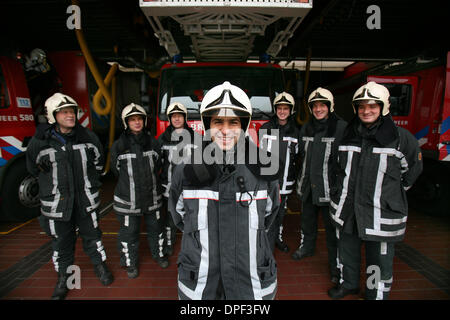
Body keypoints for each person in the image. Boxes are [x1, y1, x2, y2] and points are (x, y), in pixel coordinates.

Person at [168, 81, 280, 300]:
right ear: (207, 124)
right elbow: (179, 216)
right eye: (218, 121)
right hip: (201, 281)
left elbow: (269, 215)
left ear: (244, 125)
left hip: (251, 281)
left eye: (233, 122)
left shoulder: (264, 169)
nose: (226, 130)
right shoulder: (186, 169)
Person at [327, 81, 423, 300]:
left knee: (378, 258)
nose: (366, 111)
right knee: (347, 250)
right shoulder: (346, 134)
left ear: (383, 107)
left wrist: (391, 195)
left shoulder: (400, 138)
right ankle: (349, 283)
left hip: (380, 211)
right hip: (348, 208)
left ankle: (374, 292)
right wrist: (336, 193)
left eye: (372, 106)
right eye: (361, 106)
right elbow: (335, 167)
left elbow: (412, 171)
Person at [26, 93, 113, 300]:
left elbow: (99, 165)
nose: (70, 115)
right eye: (64, 112)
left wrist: (91, 185)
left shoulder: (88, 137)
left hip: (85, 201)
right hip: (58, 205)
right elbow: (32, 169)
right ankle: (64, 279)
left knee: (93, 237)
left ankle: (100, 267)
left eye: (72, 111)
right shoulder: (39, 143)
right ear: (52, 116)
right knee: (62, 243)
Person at [291, 87, 347, 284]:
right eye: (315, 106)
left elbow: (345, 162)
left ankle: (335, 266)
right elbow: (300, 156)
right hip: (307, 187)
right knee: (307, 223)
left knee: (333, 232)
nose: (318, 109)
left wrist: (339, 188)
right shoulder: (306, 127)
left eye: (322, 105)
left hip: (329, 190)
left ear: (330, 107)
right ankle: (307, 247)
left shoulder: (341, 128)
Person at [110, 103, 168, 279]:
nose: (137, 122)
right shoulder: (119, 145)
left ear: (144, 121)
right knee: (129, 234)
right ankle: (130, 263)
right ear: (126, 122)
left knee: (157, 229)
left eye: (139, 119)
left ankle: (159, 255)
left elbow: (159, 165)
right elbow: (116, 170)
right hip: (128, 201)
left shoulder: (153, 143)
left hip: (152, 198)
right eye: (132, 119)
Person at [260, 92, 300, 253]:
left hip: (285, 181)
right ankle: (265, 239)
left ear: (291, 111)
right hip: (268, 181)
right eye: (279, 108)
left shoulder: (295, 131)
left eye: (286, 108)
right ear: (275, 109)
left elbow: (297, 157)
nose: (282, 111)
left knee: (281, 212)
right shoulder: (266, 128)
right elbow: (261, 155)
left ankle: (278, 237)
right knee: (267, 210)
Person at [158, 102, 198, 256]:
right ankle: (169, 243)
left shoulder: (195, 137)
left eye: (179, 116)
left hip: (191, 187)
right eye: (173, 116)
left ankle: (194, 243)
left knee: (192, 216)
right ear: (170, 119)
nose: (177, 119)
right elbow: (157, 164)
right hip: (170, 187)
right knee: (170, 219)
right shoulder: (162, 139)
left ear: (184, 118)